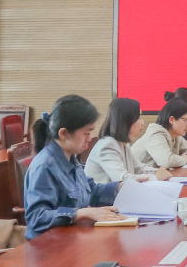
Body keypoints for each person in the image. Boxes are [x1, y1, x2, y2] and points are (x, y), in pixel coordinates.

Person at [24, 95, 122, 240]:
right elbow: (36, 218)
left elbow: (90, 192)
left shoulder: (70, 158)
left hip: (72, 238)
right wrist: (80, 213)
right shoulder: (44, 166)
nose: (90, 138)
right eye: (86, 133)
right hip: (48, 246)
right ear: (64, 134)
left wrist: (120, 187)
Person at [85, 98, 173, 185]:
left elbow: (139, 168)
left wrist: (158, 171)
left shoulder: (123, 144)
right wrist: (155, 177)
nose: (142, 122)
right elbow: (122, 179)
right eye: (139, 118)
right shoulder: (108, 145)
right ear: (127, 121)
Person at [132, 97, 187, 169]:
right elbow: (166, 161)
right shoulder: (155, 134)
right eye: (185, 120)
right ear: (171, 120)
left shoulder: (175, 136)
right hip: (136, 175)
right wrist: (183, 159)